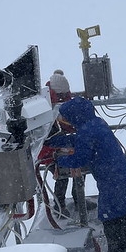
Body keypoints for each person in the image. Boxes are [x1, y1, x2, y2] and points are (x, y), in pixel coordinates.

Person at [47, 96, 126, 252]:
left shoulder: (86, 131)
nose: (66, 121)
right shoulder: (95, 123)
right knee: (123, 210)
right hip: (120, 173)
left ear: (75, 116)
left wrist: (58, 161)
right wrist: (58, 142)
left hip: (110, 178)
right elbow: (81, 141)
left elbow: (80, 158)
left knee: (110, 216)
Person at [38, 70, 90, 224]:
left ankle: (78, 198)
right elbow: (45, 135)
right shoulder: (45, 104)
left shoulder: (60, 96)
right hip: (49, 148)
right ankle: (60, 204)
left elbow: (65, 119)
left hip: (59, 141)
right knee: (61, 174)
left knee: (80, 166)